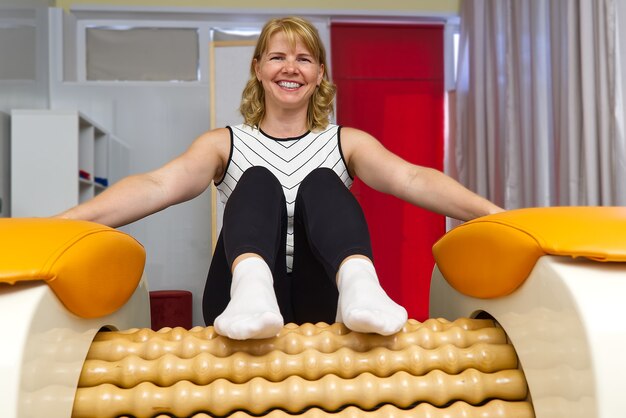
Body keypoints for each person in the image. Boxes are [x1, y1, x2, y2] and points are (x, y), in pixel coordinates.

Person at [56, 16, 503, 340]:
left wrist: (498, 217)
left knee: (321, 181)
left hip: (319, 297)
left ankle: (360, 286)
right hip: (236, 298)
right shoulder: (223, 143)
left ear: (319, 75)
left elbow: (411, 178)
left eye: (304, 59)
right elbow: (157, 186)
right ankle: (252, 289)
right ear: (258, 69)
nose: (291, 67)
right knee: (257, 179)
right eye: (278, 57)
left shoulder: (346, 143)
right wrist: (66, 223)